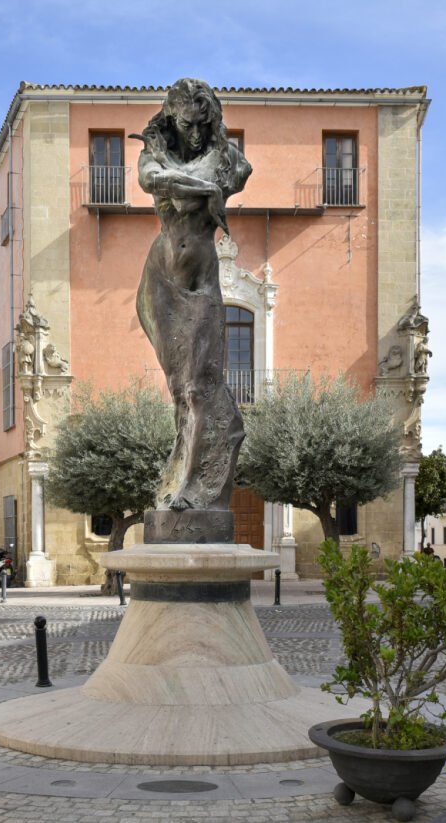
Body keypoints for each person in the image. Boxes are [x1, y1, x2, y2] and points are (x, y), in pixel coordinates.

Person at [134, 79, 252, 512]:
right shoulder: (154, 154)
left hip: (200, 282)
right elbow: (151, 180)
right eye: (187, 125)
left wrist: (198, 185)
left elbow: (239, 172)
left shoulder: (228, 160)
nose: (196, 133)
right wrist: (206, 191)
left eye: (204, 124)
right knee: (178, 390)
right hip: (160, 278)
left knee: (199, 386)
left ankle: (193, 486)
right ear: (172, 120)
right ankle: (178, 474)